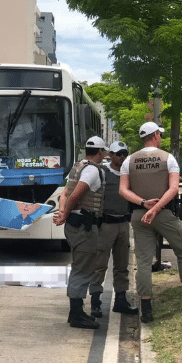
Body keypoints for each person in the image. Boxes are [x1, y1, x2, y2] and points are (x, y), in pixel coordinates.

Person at [119, 122, 182, 323]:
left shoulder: (129, 161)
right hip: (163, 213)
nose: (160, 136)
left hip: (138, 215)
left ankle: (146, 309)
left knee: (143, 261)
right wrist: (155, 209)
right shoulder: (168, 158)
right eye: (159, 133)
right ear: (155, 135)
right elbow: (173, 189)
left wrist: (143, 204)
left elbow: (123, 190)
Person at [54, 136, 107, 329]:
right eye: (104, 152)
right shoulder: (92, 170)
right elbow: (76, 194)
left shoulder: (78, 167)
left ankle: (76, 312)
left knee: (81, 266)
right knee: (82, 269)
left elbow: (65, 193)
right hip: (83, 226)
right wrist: (64, 214)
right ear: (100, 152)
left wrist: (62, 211)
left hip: (76, 225)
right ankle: (76, 314)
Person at [88, 141, 139, 318]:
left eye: (125, 153)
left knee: (122, 265)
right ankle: (95, 302)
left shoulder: (129, 174)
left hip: (124, 224)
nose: (122, 157)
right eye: (119, 154)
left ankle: (121, 300)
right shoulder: (102, 172)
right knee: (99, 265)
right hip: (106, 224)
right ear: (111, 155)